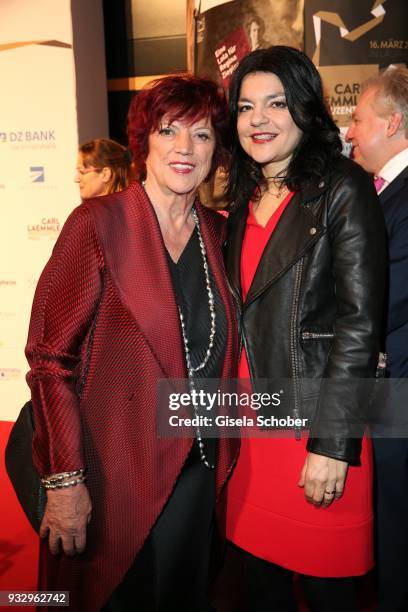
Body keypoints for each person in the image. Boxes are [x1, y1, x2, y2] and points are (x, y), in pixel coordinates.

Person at [25, 75, 238, 611]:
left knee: (183, 595)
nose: (185, 149)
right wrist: (64, 481)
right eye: (170, 131)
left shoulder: (220, 233)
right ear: (145, 141)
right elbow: (50, 362)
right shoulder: (97, 223)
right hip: (111, 468)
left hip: (197, 466)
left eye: (203, 135)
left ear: (218, 150)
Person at [223, 46, 386, 611]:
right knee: (258, 590)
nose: (258, 119)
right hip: (248, 434)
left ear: (306, 108)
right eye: (246, 106)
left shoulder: (343, 188)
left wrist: (333, 446)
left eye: (276, 102)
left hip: (313, 430)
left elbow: (360, 325)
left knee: (326, 590)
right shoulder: (241, 199)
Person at [346, 66, 408, 612]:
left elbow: (389, 296)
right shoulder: (379, 191)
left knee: (396, 527)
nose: (348, 130)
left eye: (357, 118)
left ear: (392, 124)